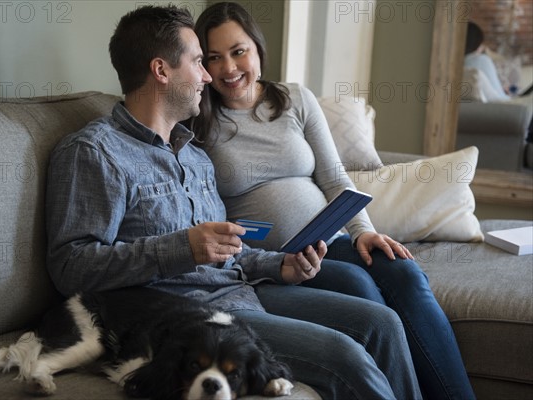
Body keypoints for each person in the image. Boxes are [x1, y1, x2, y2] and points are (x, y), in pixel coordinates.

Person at [45, 5, 422, 399]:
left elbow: (230, 255)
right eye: (198, 61)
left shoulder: (194, 156)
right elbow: (71, 267)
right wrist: (180, 249)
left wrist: (283, 267)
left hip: (241, 292)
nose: (208, 76)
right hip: (185, 315)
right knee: (345, 356)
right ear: (161, 71)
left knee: (381, 323)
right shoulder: (94, 152)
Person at [190, 2, 476, 399]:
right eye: (214, 58)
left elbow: (334, 177)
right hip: (279, 259)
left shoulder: (293, 99)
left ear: (257, 49)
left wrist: (363, 232)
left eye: (238, 51)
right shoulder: (198, 121)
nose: (229, 68)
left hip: (333, 240)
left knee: (405, 274)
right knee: (360, 287)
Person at [464, 21, 511, 102]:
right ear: (478, 42)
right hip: (493, 110)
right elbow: (498, 99)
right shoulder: (482, 60)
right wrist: (508, 96)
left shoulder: (453, 64)